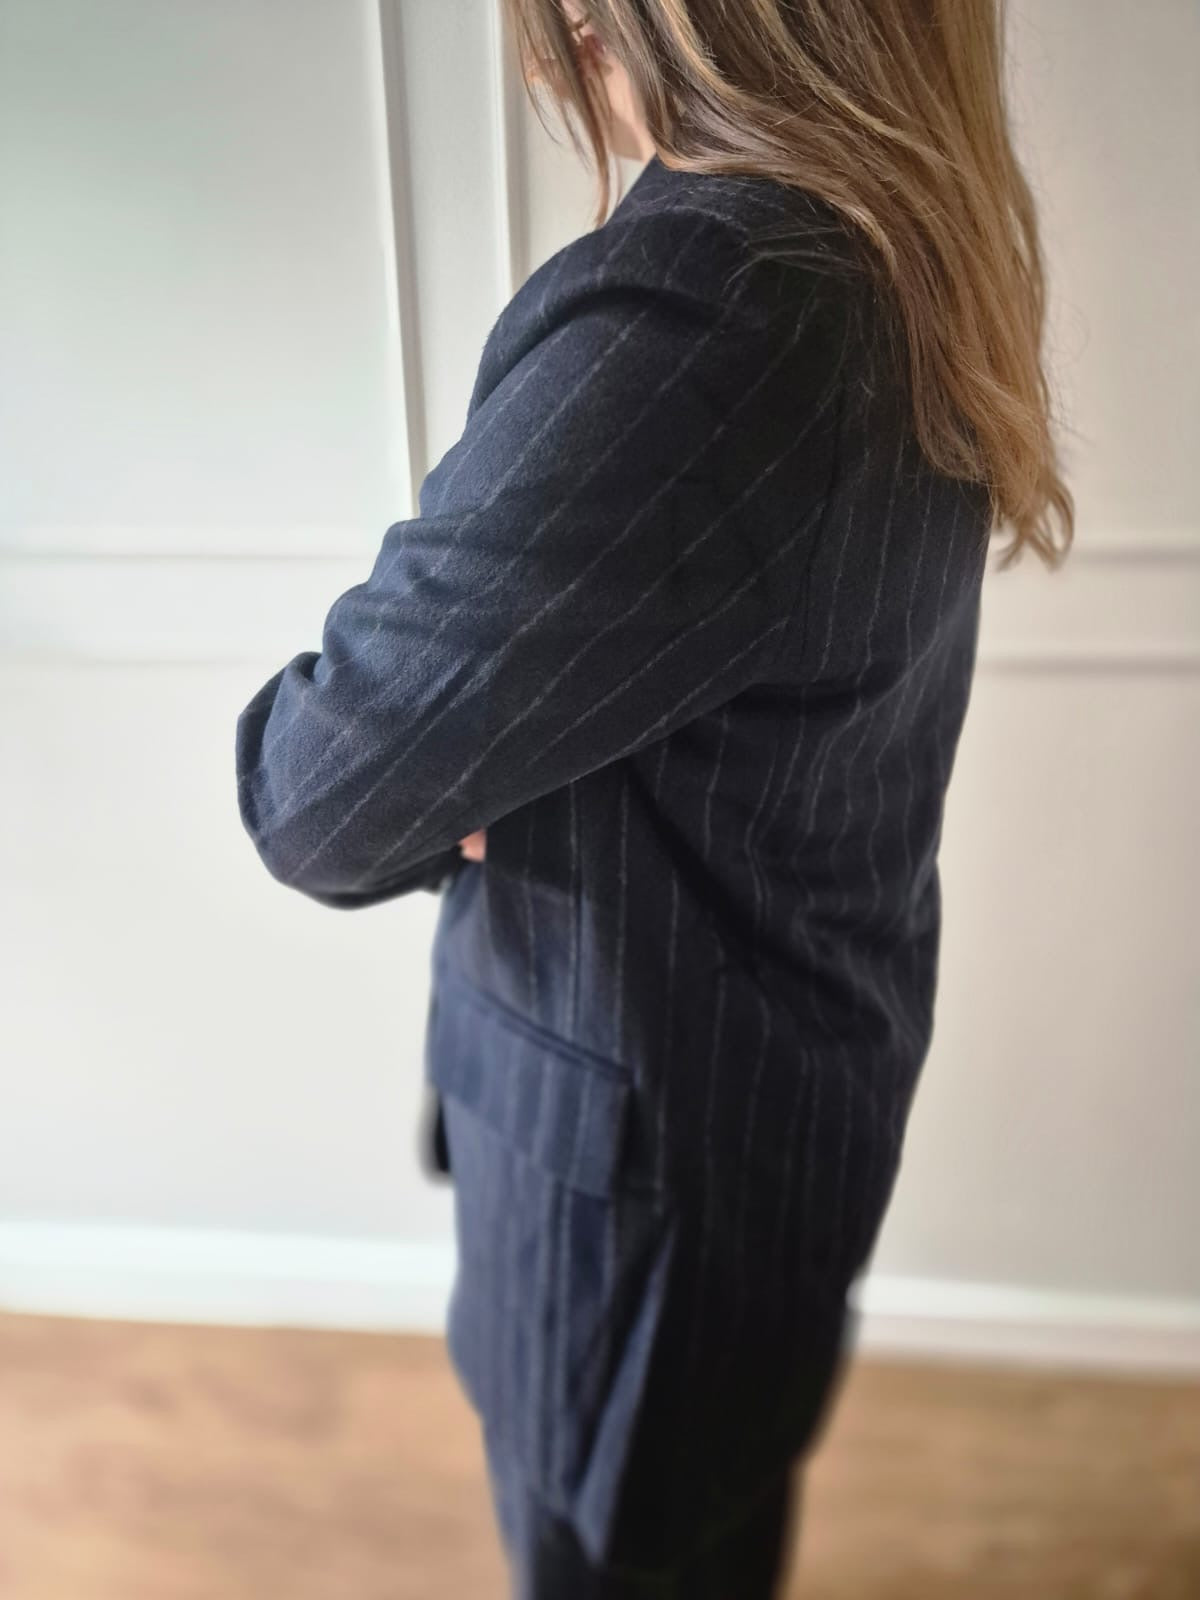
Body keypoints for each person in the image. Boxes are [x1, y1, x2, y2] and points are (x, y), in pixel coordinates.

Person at [234, 1, 1073, 1593]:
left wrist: (469, 775)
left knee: (621, 1556)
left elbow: (313, 786)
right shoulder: (896, 247)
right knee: (702, 1532)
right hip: (782, 1073)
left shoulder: (710, 315)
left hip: (651, 1169)